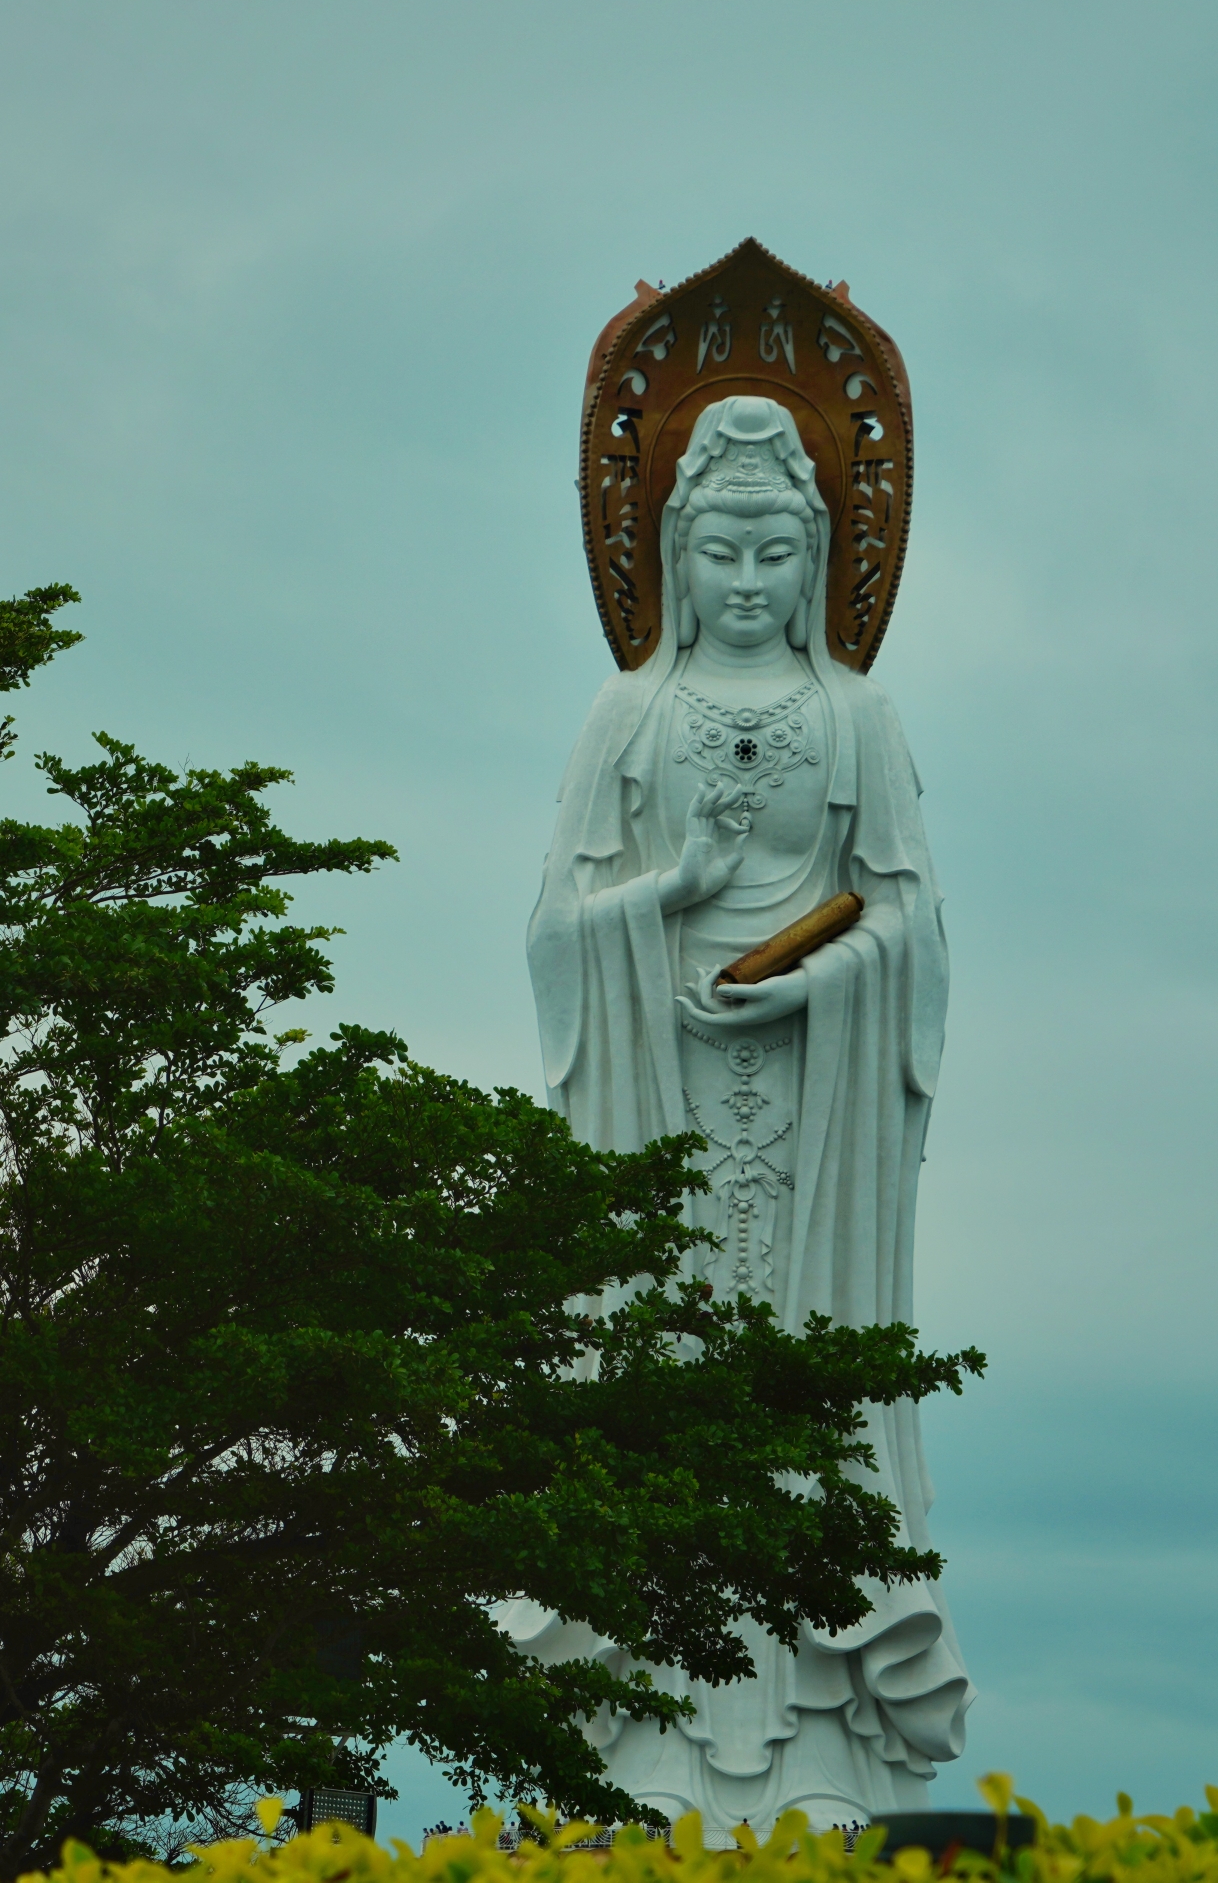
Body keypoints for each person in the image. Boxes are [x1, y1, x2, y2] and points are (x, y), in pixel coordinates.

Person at [510, 393, 969, 1839]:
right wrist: (673, 888)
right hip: (658, 1102)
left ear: (821, 558)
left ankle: (819, 1753)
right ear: (671, 557)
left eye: (777, 549)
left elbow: (913, 921)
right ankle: (646, 1740)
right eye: (723, 551)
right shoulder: (627, 713)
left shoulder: (859, 716)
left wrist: (811, 981)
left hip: (819, 1128)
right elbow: (551, 930)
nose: (752, 582)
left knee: (799, 1400)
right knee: (662, 1383)